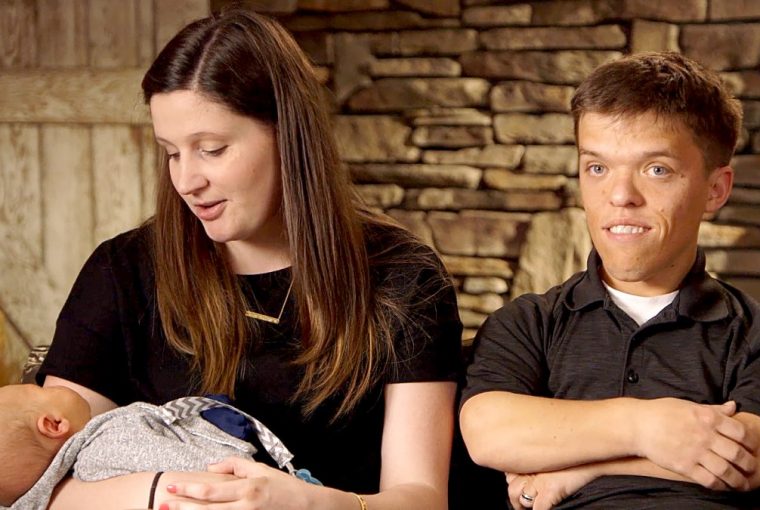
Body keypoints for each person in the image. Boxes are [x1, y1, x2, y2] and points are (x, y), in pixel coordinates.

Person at [36, 7, 462, 510]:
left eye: (212, 149)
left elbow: (421, 498)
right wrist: (173, 496)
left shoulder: (404, 277)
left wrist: (310, 504)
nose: (186, 181)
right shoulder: (120, 271)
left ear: (288, 135)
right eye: (171, 152)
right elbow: (44, 483)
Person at [460, 51, 760, 509]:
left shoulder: (752, 333)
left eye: (656, 169)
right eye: (597, 167)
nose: (619, 196)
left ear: (715, 190)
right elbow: (488, 432)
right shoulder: (529, 323)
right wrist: (645, 428)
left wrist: (583, 467)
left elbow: (747, 456)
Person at [0, 385, 318, 510]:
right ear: (54, 424)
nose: (48, 386)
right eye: (36, 389)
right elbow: (204, 472)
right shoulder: (108, 444)